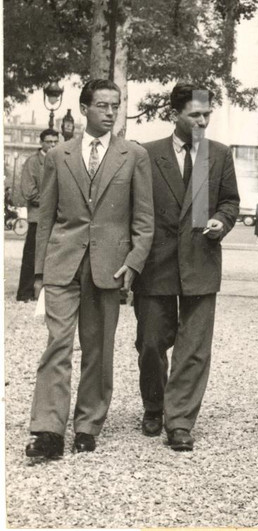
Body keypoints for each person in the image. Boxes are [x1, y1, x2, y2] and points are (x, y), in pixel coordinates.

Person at [25, 79, 154, 458]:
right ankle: (48, 431)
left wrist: (134, 262)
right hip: (63, 264)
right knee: (58, 345)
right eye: (102, 105)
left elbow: (144, 220)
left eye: (116, 105)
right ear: (84, 109)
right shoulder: (58, 156)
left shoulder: (134, 156)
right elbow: (46, 218)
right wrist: (38, 274)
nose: (111, 112)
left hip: (109, 267)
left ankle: (87, 425)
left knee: (99, 349)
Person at [132, 84, 240, 452]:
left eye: (207, 114)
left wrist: (220, 222)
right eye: (195, 114)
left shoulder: (219, 155)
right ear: (174, 114)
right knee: (150, 343)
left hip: (200, 260)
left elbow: (229, 202)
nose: (202, 121)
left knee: (194, 348)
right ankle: (154, 404)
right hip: (155, 264)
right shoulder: (146, 155)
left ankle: (179, 421)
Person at [17, 129, 61, 302]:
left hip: (57, 218)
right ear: (41, 142)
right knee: (31, 255)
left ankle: (47, 293)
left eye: (55, 141)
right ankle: (25, 292)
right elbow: (29, 192)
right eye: (49, 141)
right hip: (38, 217)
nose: (52, 145)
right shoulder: (32, 162)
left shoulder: (60, 161)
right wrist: (53, 202)